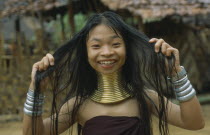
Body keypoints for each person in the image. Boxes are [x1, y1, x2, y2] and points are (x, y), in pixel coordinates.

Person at [23, 11, 205, 135]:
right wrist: (36, 89)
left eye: (116, 44)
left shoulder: (146, 98)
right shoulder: (77, 106)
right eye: (96, 46)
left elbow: (194, 123)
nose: (107, 52)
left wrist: (176, 74)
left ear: (127, 49)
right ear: (86, 53)